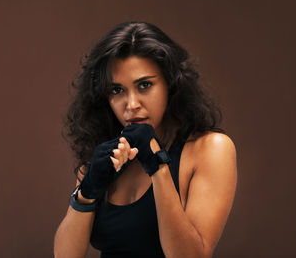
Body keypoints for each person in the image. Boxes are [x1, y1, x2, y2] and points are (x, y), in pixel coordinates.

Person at [54, 21, 237, 258]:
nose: (131, 105)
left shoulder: (210, 149)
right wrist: (87, 190)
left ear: (171, 84)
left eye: (144, 85)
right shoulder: (107, 153)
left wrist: (158, 165)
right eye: (117, 90)